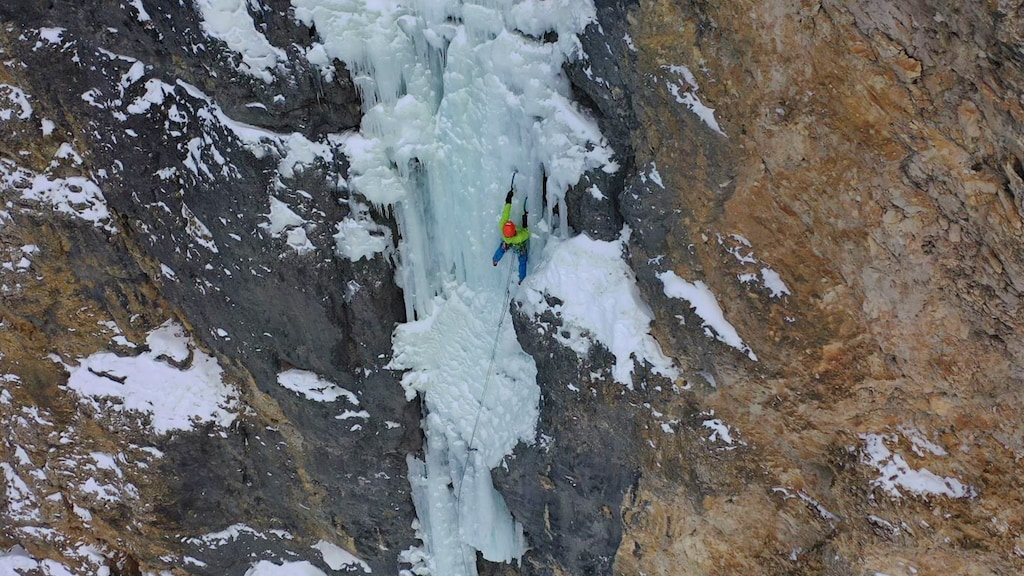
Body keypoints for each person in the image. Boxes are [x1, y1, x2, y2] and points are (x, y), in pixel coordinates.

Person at [492, 187, 530, 283]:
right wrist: (525, 223)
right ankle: (522, 278)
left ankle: (495, 260)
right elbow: (526, 234)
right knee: (522, 259)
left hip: (507, 242)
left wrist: (508, 201)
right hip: (518, 245)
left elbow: (506, 213)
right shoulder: (517, 238)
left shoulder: (502, 225)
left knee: (502, 248)